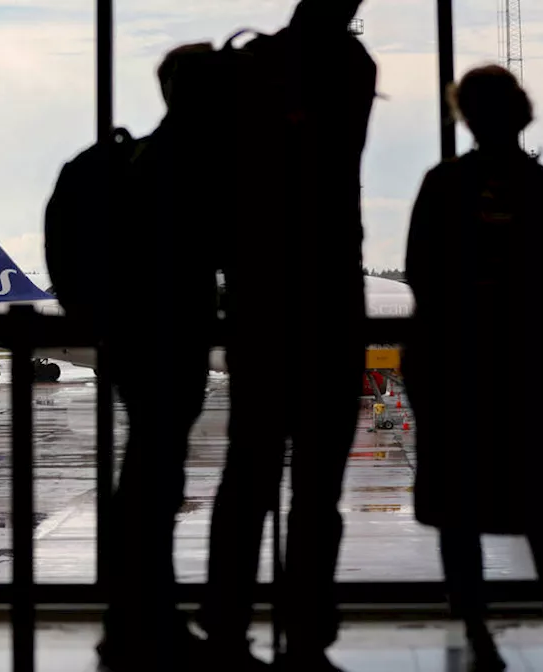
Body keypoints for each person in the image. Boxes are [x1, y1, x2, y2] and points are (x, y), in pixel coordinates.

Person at [403, 65, 543, 672]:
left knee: (457, 512)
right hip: (519, 365)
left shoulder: (442, 185)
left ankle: (478, 634)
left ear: (465, 115)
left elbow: (423, 272)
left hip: (450, 367)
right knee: (539, 505)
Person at [204, 1, 376, 669]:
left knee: (245, 476)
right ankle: (306, 633)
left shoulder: (250, 66)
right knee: (317, 490)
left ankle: (225, 628)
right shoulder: (354, 68)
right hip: (329, 295)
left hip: (259, 295)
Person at [82, 43, 226, 671]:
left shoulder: (125, 160)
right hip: (176, 340)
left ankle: (129, 612)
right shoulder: (199, 168)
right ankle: (151, 615)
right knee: (156, 476)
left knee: (145, 472)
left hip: (129, 339)